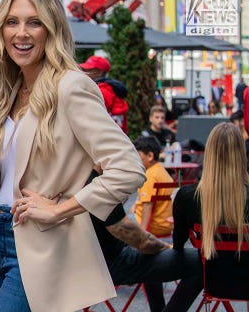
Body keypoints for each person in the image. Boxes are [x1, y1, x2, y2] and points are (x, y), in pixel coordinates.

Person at [0, 0, 146, 310]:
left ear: (51, 29)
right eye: (12, 22)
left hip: (40, 241)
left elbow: (128, 168)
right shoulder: (6, 93)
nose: (21, 33)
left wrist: (62, 208)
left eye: (34, 22)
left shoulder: (71, 86)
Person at [87, 168, 201, 312]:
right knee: (199, 262)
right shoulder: (95, 185)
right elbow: (127, 232)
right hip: (108, 265)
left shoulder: (62, 183)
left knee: (149, 253)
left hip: (76, 266)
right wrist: (165, 246)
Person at [173, 122, 249, 300]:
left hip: (211, 281)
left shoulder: (187, 196)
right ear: (241, 154)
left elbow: (178, 245)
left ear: (210, 153)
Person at [133, 136, 175, 237]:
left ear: (150, 156)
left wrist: (142, 235)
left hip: (154, 226)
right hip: (167, 225)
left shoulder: (149, 176)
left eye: (137, 155)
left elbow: (147, 205)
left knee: (118, 221)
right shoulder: (161, 170)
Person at [79, 55, 129, 133]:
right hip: (117, 138)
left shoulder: (101, 91)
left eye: (88, 69)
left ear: (99, 72)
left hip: (106, 139)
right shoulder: (111, 89)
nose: (84, 72)